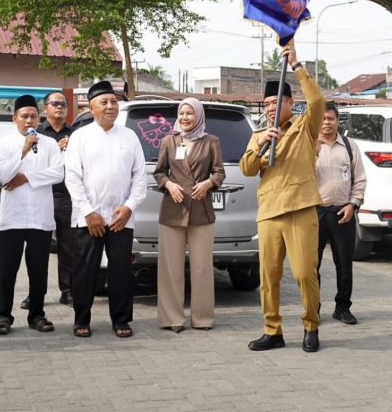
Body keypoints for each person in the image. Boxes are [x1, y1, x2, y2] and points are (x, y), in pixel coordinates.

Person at [239, 43, 325, 353]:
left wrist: (297, 66)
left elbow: (317, 100)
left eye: (276, 102)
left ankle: (311, 324)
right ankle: (272, 330)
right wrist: (260, 143)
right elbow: (247, 169)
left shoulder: (304, 126)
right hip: (270, 212)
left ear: (290, 103)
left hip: (300, 208)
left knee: (304, 273)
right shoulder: (260, 133)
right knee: (268, 276)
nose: (270, 109)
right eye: (266, 104)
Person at [64, 80, 147, 338]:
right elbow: (72, 178)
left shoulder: (129, 136)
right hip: (89, 218)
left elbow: (140, 176)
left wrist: (129, 207)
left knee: (120, 270)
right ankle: (81, 319)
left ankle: (121, 319)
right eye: (104, 102)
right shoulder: (80, 136)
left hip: (120, 218)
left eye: (113, 101)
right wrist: (88, 212)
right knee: (85, 270)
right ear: (91, 107)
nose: (110, 106)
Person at [0, 95, 65, 335]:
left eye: (33, 116)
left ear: (39, 118)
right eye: (24, 116)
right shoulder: (4, 144)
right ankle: (3, 316)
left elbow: (58, 174)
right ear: (15, 119)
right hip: (12, 218)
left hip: (40, 219)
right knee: (7, 270)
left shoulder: (49, 144)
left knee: (38, 271)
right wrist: (22, 152)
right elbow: (3, 174)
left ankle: (37, 315)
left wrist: (27, 177)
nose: (29, 120)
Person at [153, 97, 225, 332]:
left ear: (199, 116)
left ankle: (203, 319)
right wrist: (169, 185)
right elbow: (159, 172)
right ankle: (172, 318)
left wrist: (208, 184)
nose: (185, 117)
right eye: (182, 113)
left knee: (202, 267)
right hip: (173, 211)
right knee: (170, 268)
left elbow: (219, 172)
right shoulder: (168, 141)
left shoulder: (211, 141)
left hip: (201, 211)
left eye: (190, 113)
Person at [315, 101, 366, 325]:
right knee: (310, 264)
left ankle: (343, 307)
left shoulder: (348, 145)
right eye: (323, 119)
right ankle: (312, 308)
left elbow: (360, 178)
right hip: (315, 212)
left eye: (331, 119)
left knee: (344, 262)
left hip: (343, 212)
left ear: (337, 121)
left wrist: (352, 204)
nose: (326, 123)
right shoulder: (308, 145)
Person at [23, 90, 75, 309]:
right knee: (38, 248)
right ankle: (36, 294)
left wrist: (70, 149)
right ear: (46, 109)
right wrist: (56, 150)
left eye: (63, 103)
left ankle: (68, 290)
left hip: (67, 197)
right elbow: (29, 165)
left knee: (68, 247)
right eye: (55, 103)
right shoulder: (35, 135)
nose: (60, 107)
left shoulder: (75, 134)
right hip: (40, 195)